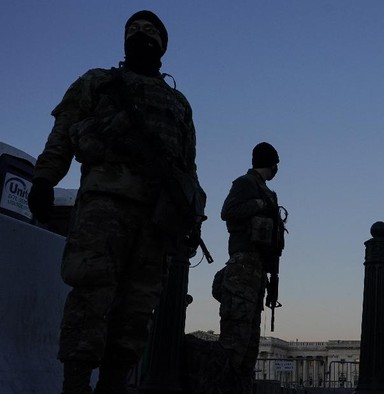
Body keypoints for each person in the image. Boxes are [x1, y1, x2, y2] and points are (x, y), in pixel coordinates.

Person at [27, 10, 205, 394]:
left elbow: (187, 167)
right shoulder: (99, 82)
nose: (140, 35)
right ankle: (75, 386)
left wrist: (193, 218)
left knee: (136, 312)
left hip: (156, 218)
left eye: (150, 31)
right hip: (103, 207)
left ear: (163, 44)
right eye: (133, 30)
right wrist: (44, 179)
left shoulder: (178, 103)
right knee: (90, 298)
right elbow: (61, 135)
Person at [218, 142, 286, 393]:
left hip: (259, 267)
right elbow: (228, 212)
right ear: (272, 163)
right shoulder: (245, 183)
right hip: (243, 261)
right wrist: (259, 205)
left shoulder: (268, 192)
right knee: (235, 337)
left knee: (250, 344)